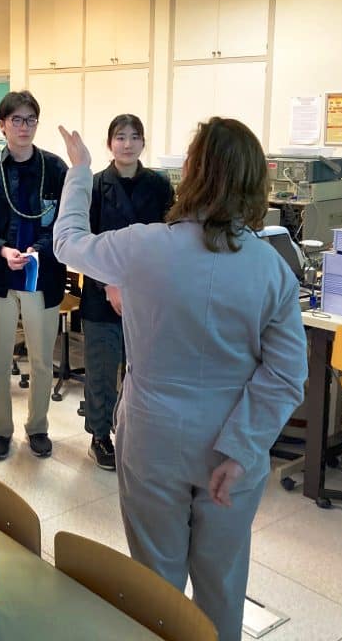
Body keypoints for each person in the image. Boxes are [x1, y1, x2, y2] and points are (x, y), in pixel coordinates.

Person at [52, 117, 307, 641]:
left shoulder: (143, 246)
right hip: (232, 442)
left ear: (190, 173)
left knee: (155, 578)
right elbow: (286, 373)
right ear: (256, 181)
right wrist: (242, 448)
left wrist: (79, 171)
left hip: (153, 432)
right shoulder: (271, 267)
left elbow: (69, 242)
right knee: (222, 580)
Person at [0, 90, 68, 461]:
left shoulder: (55, 168)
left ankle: (38, 426)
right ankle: (0, 430)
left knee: (41, 360)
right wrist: (2, 249)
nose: (24, 127)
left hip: (42, 278)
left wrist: (38, 249)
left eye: (31, 120)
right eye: (17, 120)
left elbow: (65, 222)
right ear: (3, 124)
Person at [81, 114, 173, 471]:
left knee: (142, 369)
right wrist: (109, 285)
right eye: (120, 137)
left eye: (135, 137)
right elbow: (84, 242)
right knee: (102, 366)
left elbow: (169, 238)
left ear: (143, 143)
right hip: (102, 292)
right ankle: (99, 435)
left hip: (146, 292)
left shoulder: (160, 186)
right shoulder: (94, 185)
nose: (128, 144)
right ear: (109, 144)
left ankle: (135, 433)